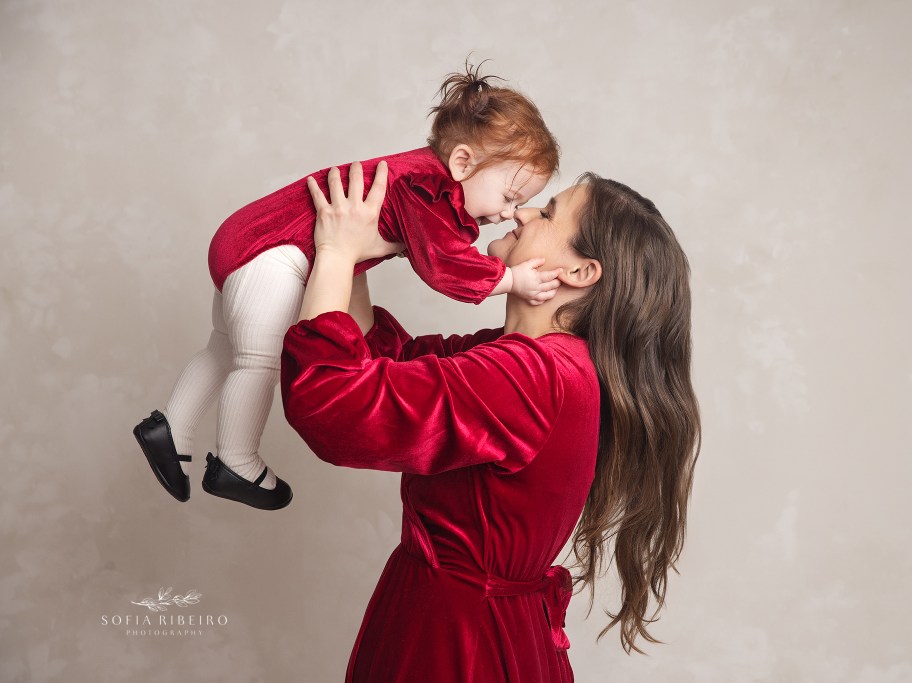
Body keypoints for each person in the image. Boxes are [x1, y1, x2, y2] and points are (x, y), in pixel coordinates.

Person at [281, 159, 701, 681]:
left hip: (458, 646)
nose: (521, 214)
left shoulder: (532, 375)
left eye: (547, 213)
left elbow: (333, 405)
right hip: (466, 624)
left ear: (579, 272)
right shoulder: (531, 359)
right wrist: (364, 249)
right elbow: (390, 363)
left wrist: (334, 253)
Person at [132, 65, 561, 510]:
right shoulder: (429, 187)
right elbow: (445, 266)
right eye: (511, 196)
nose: (512, 213)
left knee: (223, 348)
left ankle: (170, 429)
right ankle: (235, 460)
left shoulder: (418, 176)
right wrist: (513, 279)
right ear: (462, 162)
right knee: (259, 359)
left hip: (247, 242)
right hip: (274, 253)